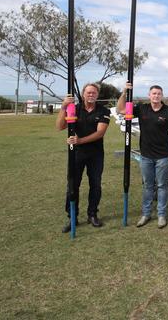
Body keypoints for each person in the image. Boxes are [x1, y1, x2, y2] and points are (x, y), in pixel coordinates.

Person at [117, 82, 168, 229]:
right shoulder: (142, 108)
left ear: (162, 95)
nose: (156, 96)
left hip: (163, 156)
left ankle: (161, 215)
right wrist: (125, 91)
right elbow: (120, 109)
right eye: (153, 93)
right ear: (149, 95)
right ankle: (146, 214)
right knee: (147, 186)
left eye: (159, 93)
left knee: (162, 185)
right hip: (146, 155)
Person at [56, 82, 110, 232]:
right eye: (88, 92)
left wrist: (80, 140)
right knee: (72, 185)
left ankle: (92, 214)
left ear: (97, 95)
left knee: (95, 184)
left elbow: (100, 133)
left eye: (94, 93)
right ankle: (72, 217)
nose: (91, 95)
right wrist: (63, 108)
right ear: (83, 94)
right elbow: (60, 127)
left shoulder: (103, 111)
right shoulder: (75, 109)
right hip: (76, 153)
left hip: (96, 154)